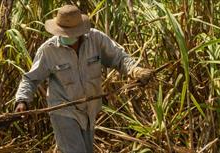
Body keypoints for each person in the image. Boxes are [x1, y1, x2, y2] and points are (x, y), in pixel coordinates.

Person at [15, 4, 153, 153]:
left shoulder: (96, 39)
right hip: (63, 110)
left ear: (80, 31)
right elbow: (31, 78)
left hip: (90, 109)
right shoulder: (48, 50)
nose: (66, 36)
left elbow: (119, 57)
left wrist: (135, 70)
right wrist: (22, 100)